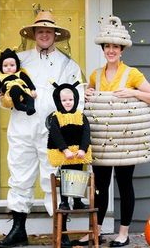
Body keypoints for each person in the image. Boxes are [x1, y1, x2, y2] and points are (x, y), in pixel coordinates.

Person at [71, 15, 150, 247]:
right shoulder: (95, 75)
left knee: (124, 183)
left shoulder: (132, 74)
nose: (111, 51)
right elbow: (86, 101)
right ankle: (96, 231)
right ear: (103, 49)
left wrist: (134, 93)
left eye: (115, 47)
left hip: (125, 141)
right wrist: (87, 92)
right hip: (101, 139)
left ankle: (123, 232)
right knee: (100, 185)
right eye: (107, 46)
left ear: (122, 49)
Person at [0, 10, 84, 248]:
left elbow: (78, 97)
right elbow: (4, 86)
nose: (44, 34)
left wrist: (67, 127)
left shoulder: (68, 65)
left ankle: (61, 232)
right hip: (22, 128)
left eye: (48, 31)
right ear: (34, 33)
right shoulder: (19, 60)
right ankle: (18, 230)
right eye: (40, 30)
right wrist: (4, 97)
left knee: (54, 179)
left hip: (53, 133)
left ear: (55, 34)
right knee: (20, 177)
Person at [47, 81, 92, 247]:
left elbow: (86, 133)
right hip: (65, 155)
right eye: (64, 100)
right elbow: (56, 134)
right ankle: (65, 200)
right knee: (66, 176)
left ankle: (78, 199)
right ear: (59, 101)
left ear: (75, 100)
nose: (67, 103)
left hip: (78, 154)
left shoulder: (81, 116)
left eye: (70, 100)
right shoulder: (56, 118)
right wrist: (64, 150)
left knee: (78, 175)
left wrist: (83, 149)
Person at [0, 48, 37, 115]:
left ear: (17, 65)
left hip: (22, 89)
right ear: (1, 67)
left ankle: (30, 108)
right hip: (10, 91)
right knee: (15, 88)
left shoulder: (20, 74)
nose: (9, 67)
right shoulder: (0, 77)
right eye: (5, 65)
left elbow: (28, 82)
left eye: (12, 65)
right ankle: (18, 105)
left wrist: (32, 90)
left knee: (29, 97)